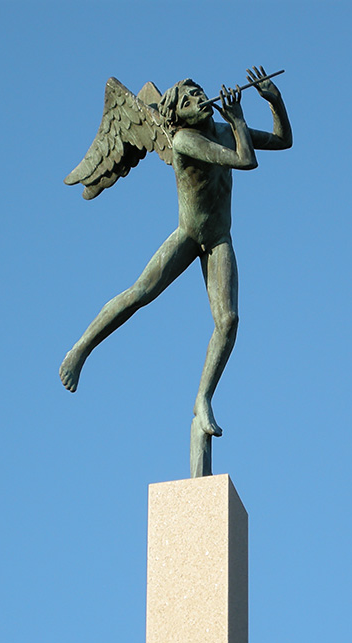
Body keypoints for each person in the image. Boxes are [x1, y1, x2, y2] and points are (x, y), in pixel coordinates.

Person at [59, 67, 292, 440]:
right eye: (187, 101)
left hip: (218, 238)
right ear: (177, 117)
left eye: (198, 93)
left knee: (228, 321)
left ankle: (203, 399)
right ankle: (80, 349)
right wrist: (240, 121)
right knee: (140, 294)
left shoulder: (220, 130)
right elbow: (246, 161)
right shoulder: (184, 141)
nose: (198, 100)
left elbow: (283, 140)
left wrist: (274, 99)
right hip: (188, 235)